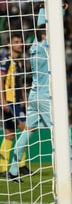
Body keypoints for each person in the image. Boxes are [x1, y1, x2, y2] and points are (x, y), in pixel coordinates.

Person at [7, 4, 72, 183]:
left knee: (28, 132)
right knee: (64, 132)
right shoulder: (45, 47)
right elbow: (53, 25)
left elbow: (41, 27)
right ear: (44, 35)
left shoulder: (33, 47)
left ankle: (13, 170)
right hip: (45, 97)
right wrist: (61, 10)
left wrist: (42, 9)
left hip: (34, 95)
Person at [0, 33, 31, 177]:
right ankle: (19, 165)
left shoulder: (18, 63)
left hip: (18, 103)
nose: (19, 44)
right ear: (9, 45)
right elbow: (1, 80)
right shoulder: (5, 61)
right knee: (25, 129)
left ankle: (5, 168)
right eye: (16, 42)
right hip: (10, 102)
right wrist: (3, 100)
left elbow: (20, 85)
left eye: (20, 42)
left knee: (10, 135)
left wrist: (25, 100)